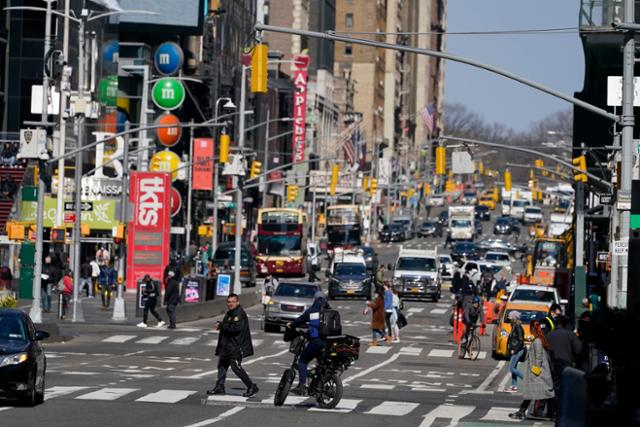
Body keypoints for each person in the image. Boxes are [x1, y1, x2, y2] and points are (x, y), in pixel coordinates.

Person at [207, 294, 258, 397]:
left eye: (232, 302)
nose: (230, 304)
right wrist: (221, 324)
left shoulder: (239, 313)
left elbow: (236, 328)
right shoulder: (230, 313)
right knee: (222, 365)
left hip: (236, 346)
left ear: (237, 302)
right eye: (228, 302)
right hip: (227, 346)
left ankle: (251, 386)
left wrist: (221, 326)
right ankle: (219, 386)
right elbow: (228, 325)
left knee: (236, 367)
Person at [285, 291, 330, 396]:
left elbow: (300, 320)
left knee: (302, 361)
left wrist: (291, 325)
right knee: (321, 363)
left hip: (316, 341)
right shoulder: (330, 311)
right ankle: (319, 384)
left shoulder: (313, 311)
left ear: (315, 299)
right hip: (329, 343)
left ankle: (301, 385)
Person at [510, 320, 555, 420]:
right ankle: (551, 413)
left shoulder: (538, 341)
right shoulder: (538, 339)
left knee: (542, 392)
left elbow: (538, 358)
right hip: (541, 372)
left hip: (539, 372)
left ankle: (522, 411)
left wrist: (535, 370)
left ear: (532, 329)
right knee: (543, 393)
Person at [547, 315, 582, 416]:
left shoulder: (549, 335)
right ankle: (562, 410)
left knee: (553, 388)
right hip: (566, 365)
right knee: (565, 388)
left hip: (552, 365)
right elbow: (578, 349)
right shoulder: (570, 335)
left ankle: (551, 410)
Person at [504, 311, 525, 392]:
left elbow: (521, 340)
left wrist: (514, 350)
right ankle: (514, 386)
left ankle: (526, 379)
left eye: (510, 318)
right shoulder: (514, 325)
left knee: (512, 369)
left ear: (514, 318)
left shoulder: (518, 326)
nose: (509, 319)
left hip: (517, 350)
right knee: (514, 368)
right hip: (515, 350)